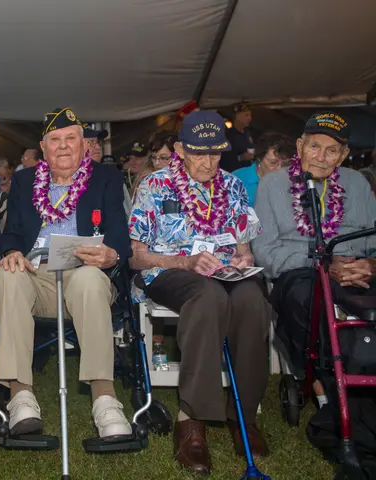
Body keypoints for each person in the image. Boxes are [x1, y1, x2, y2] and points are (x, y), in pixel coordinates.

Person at [129, 110, 271, 475]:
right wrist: (186, 262)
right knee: (208, 297)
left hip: (223, 273)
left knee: (253, 299)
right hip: (169, 271)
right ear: (179, 149)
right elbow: (136, 257)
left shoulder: (233, 186)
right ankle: (190, 419)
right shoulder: (155, 185)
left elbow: (244, 248)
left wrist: (242, 260)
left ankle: (244, 414)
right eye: (198, 153)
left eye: (215, 153)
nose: (208, 162)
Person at [0, 107, 132, 439]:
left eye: (72, 138)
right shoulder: (25, 181)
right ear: (44, 147)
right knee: (5, 277)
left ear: (84, 144)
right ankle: (20, 397)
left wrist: (111, 252)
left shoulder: (106, 178)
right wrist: (11, 252)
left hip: (86, 273)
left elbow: (120, 237)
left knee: (87, 279)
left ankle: (104, 398)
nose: (64, 146)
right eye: (56, 140)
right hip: (35, 275)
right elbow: (10, 234)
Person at [253, 112, 376, 407]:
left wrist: (370, 266)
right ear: (299, 146)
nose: (321, 157)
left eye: (331, 150)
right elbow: (266, 252)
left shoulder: (357, 183)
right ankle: (329, 384)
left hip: (358, 272)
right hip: (300, 273)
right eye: (314, 147)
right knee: (308, 297)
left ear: (344, 155)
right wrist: (324, 265)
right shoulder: (272, 185)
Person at [233, 132, 295, 206]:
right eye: (273, 163)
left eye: (285, 164)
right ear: (259, 158)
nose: (279, 169)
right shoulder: (237, 179)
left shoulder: (292, 183)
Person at [221, 103, 255, 173]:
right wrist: (240, 157)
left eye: (250, 115)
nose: (250, 118)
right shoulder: (228, 135)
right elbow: (224, 159)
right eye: (246, 115)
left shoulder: (247, 132)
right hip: (235, 173)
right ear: (237, 116)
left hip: (247, 171)